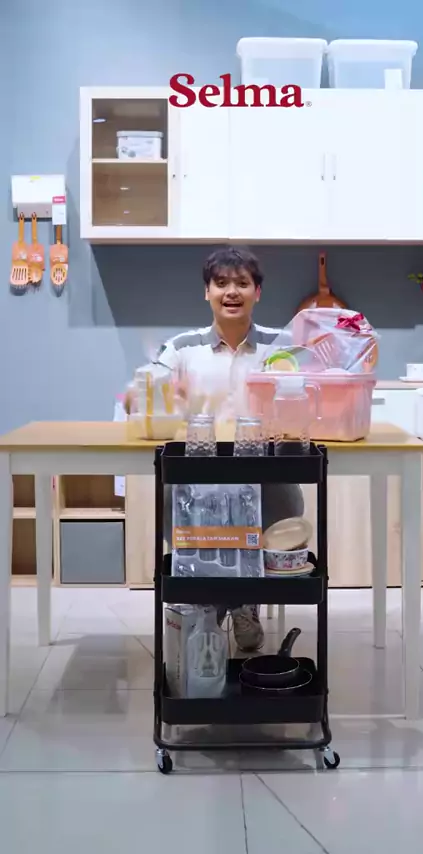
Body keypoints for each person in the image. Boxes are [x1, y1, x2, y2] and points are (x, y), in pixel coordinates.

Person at [126, 247, 304, 651]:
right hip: (199, 476)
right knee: (172, 502)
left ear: (258, 292)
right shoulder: (181, 347)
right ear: (206, 291)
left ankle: (233, 603)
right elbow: (144, 394)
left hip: (264, 474)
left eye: (242, 283)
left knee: (285, 503)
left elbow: (308, 394)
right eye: (221, 283)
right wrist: (149, 395)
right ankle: (218, 601)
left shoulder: (282, 347)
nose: (231, 292)